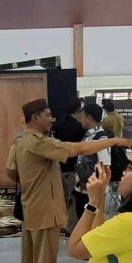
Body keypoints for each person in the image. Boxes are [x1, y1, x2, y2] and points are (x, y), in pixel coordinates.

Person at [6, 98, 132, 263]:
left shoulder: (20, 141)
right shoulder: (38, 142)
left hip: (30, 206)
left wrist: (31, 181)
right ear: (35, 118)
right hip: (45, 209)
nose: (51, 119)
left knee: (29, 258)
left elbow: (10, 172)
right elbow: (78, 148)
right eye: (47, 115)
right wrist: (115, 140)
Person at [53, 98, 87, 231]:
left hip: (58, 167)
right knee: (72, 198)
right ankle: (71, 228)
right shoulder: (78, 127)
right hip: (72, 168)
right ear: (78, 111)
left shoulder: (57, 125)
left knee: (61, 198)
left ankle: (62, 223)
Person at [73, 104, 112, 219]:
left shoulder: (101, 138)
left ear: (89, 117)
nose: (81, 120)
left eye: (83, 116)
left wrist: (99, 191)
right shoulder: (89, 135)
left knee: (90, 225)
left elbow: (105, 166)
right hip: (82, 188)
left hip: (92, 193)